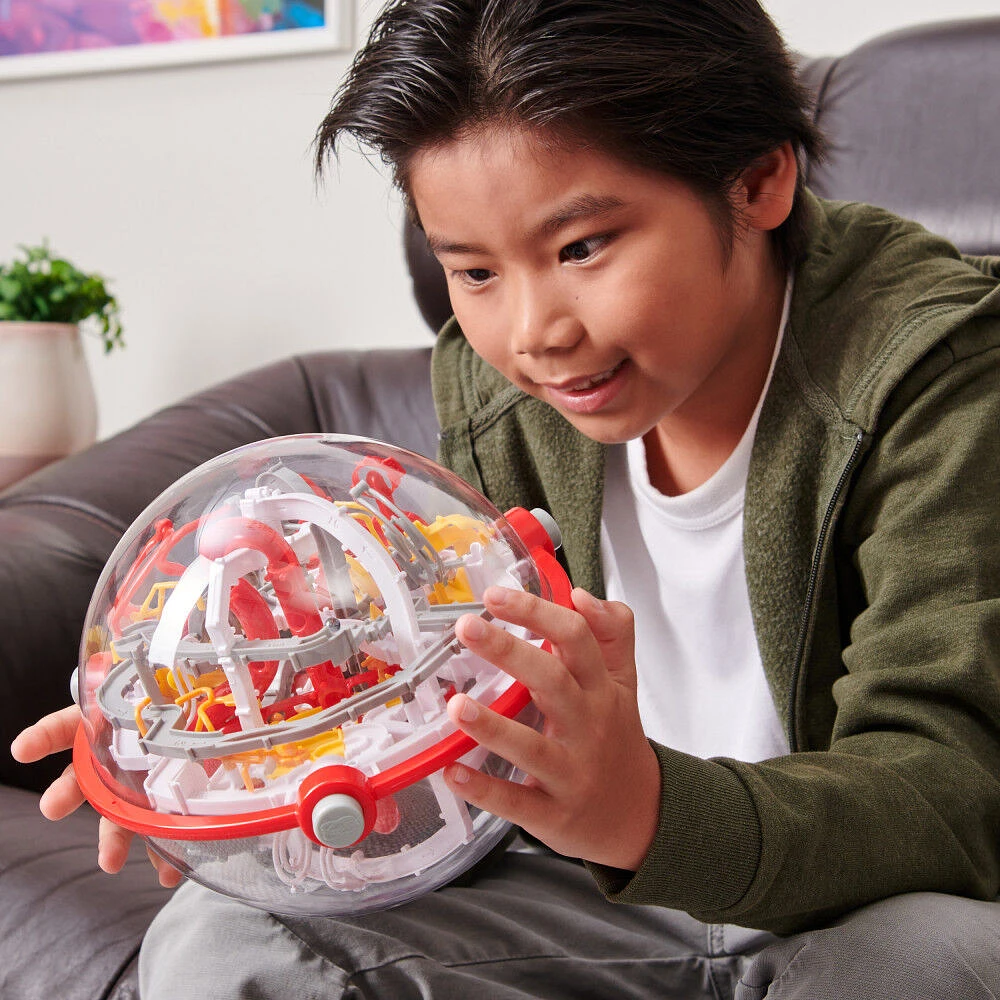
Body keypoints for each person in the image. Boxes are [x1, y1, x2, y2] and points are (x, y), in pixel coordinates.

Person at [12, 1, 1000, 997]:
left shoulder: (939, 372)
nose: (533, 332)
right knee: (225, 938)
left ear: (757, 180)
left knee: (929, 962)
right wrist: (233, 763)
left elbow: (950, 796)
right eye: (473, 271)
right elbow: (457, 703)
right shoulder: (499, 391)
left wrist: (646, 806)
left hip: (859, 905)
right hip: (611, 892)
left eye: (580, 249)